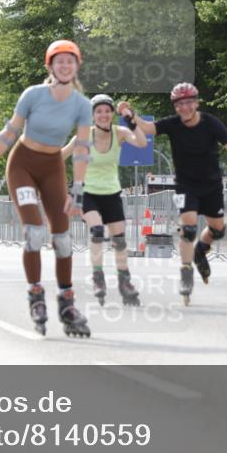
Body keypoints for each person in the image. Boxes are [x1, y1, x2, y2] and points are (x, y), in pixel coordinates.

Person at [0, 39, 93, 337]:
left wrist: (78, 187)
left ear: (77, 66)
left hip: (52, 168)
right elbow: (9, 132)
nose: (64, 66)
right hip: (23, 164)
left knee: (63, 238)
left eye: (70, 61)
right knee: (35, 233)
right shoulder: (33, 95)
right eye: (59, 61)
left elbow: (81, 148)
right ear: (50, 66)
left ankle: (67, 302)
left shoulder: (82, 104)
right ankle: (35, 295)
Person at [128, 83, 227, 303]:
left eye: (189, 102)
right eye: (180, 104)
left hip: (211, 185)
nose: (185, 107)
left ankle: (200, 250)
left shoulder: (211, 123)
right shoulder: (172, 125)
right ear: (175, 106)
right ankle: (185, 272)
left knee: (218, 230)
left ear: (197, 102)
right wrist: (130, 113)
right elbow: (146, 128)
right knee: (189, 227)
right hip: (186, 185)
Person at [61, 93, 148, 306]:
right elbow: (58, 158)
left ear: (111, 114)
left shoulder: (120, 132)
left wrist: (130, 118)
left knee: (119, 240)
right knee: (97, 232)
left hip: (112, 193)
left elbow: (142, 142)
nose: (103, 115)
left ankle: (124, 282)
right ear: (92, 116)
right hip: (88, 193)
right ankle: (98, 278)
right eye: (98, 112)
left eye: (107, 111)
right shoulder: (83, 136)